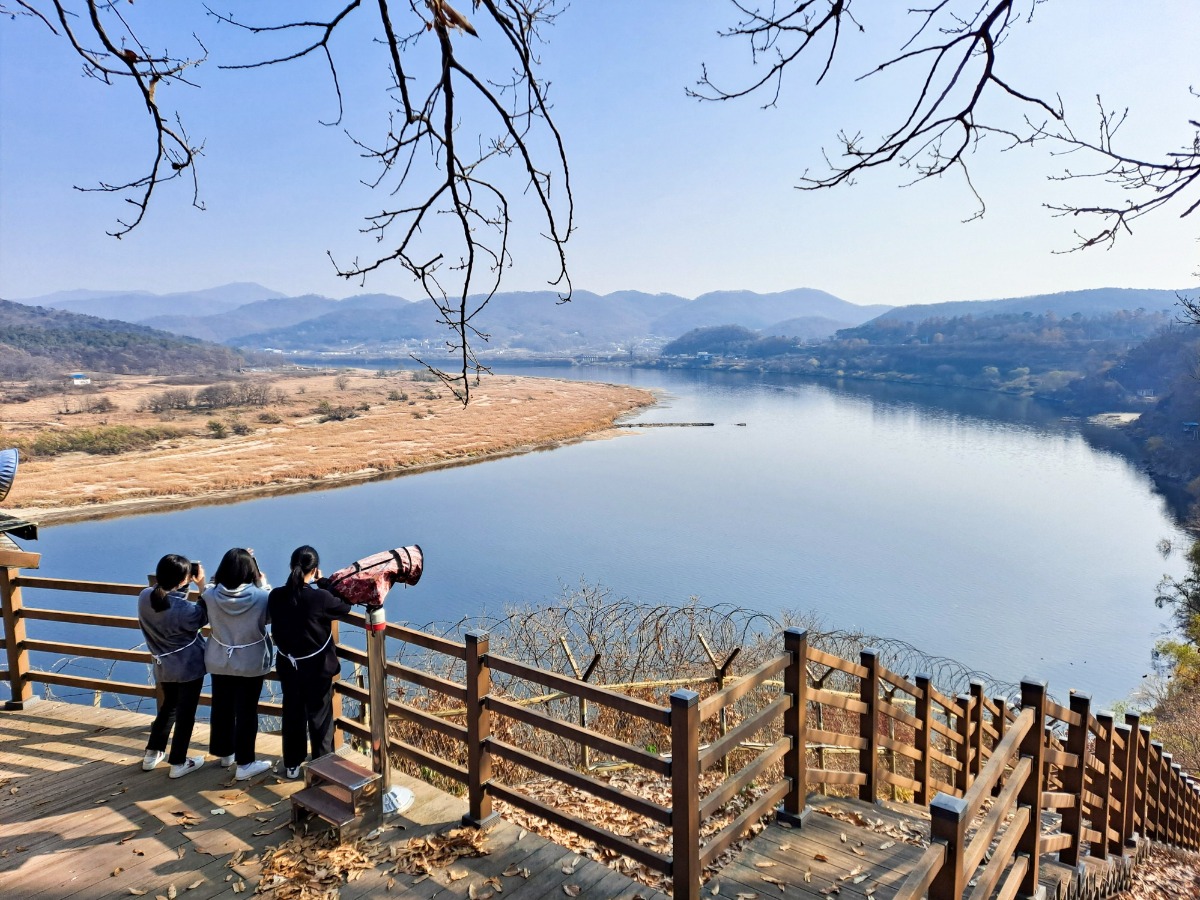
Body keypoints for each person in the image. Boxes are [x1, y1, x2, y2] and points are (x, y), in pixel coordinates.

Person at [268, 545, 353, 779]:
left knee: (293, 714)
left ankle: (292, 765)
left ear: (290, 566)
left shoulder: (276, 596)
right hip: (317, 668)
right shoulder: (320, 598)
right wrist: (324, 583)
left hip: (289, 666)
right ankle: (322, 767)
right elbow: (345, 606)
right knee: (320, 717)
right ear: (314, 570)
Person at [201, 548, 274, 781]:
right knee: (246, 711)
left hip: (220, 658)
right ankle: (245, 763)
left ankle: (225, 753)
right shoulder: (261, 597)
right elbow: (269, 616)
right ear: (251, 572)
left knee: (222, 706)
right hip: (251, 661)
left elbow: (209, 587)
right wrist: (262, 581)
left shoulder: (210, 596)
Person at [138, 554, 207, 778]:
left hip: (163, 665)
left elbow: (171, 602)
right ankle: (178, 762)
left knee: (169, 707)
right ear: (184, 579)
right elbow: (203, 615)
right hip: (188, 666)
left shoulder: (145, 596)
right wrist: (202, 585)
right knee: (186, 715)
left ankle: (152, 754)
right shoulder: (185, 610)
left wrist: (183, 585)